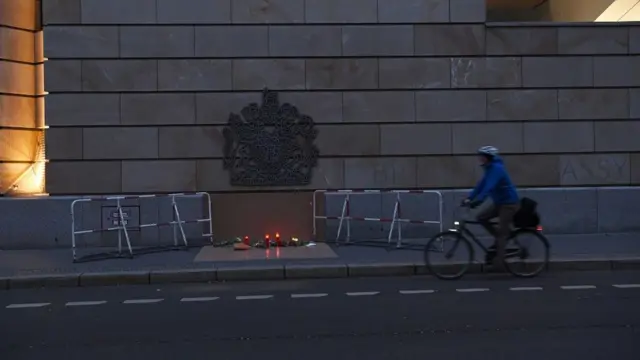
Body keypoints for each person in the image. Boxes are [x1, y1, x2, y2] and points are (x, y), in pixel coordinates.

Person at [462, 146, 519, 270]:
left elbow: (489, 188)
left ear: (489, 157)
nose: (480, 159)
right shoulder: (489, 169)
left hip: (509, 204)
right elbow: (480, 186)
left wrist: (478, 202)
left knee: (502, 233)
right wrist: (469, 198)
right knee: (481, 217)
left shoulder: (497, 169)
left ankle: (499, 261)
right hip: (499, 203)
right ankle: (500, 238)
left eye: (482, 156)